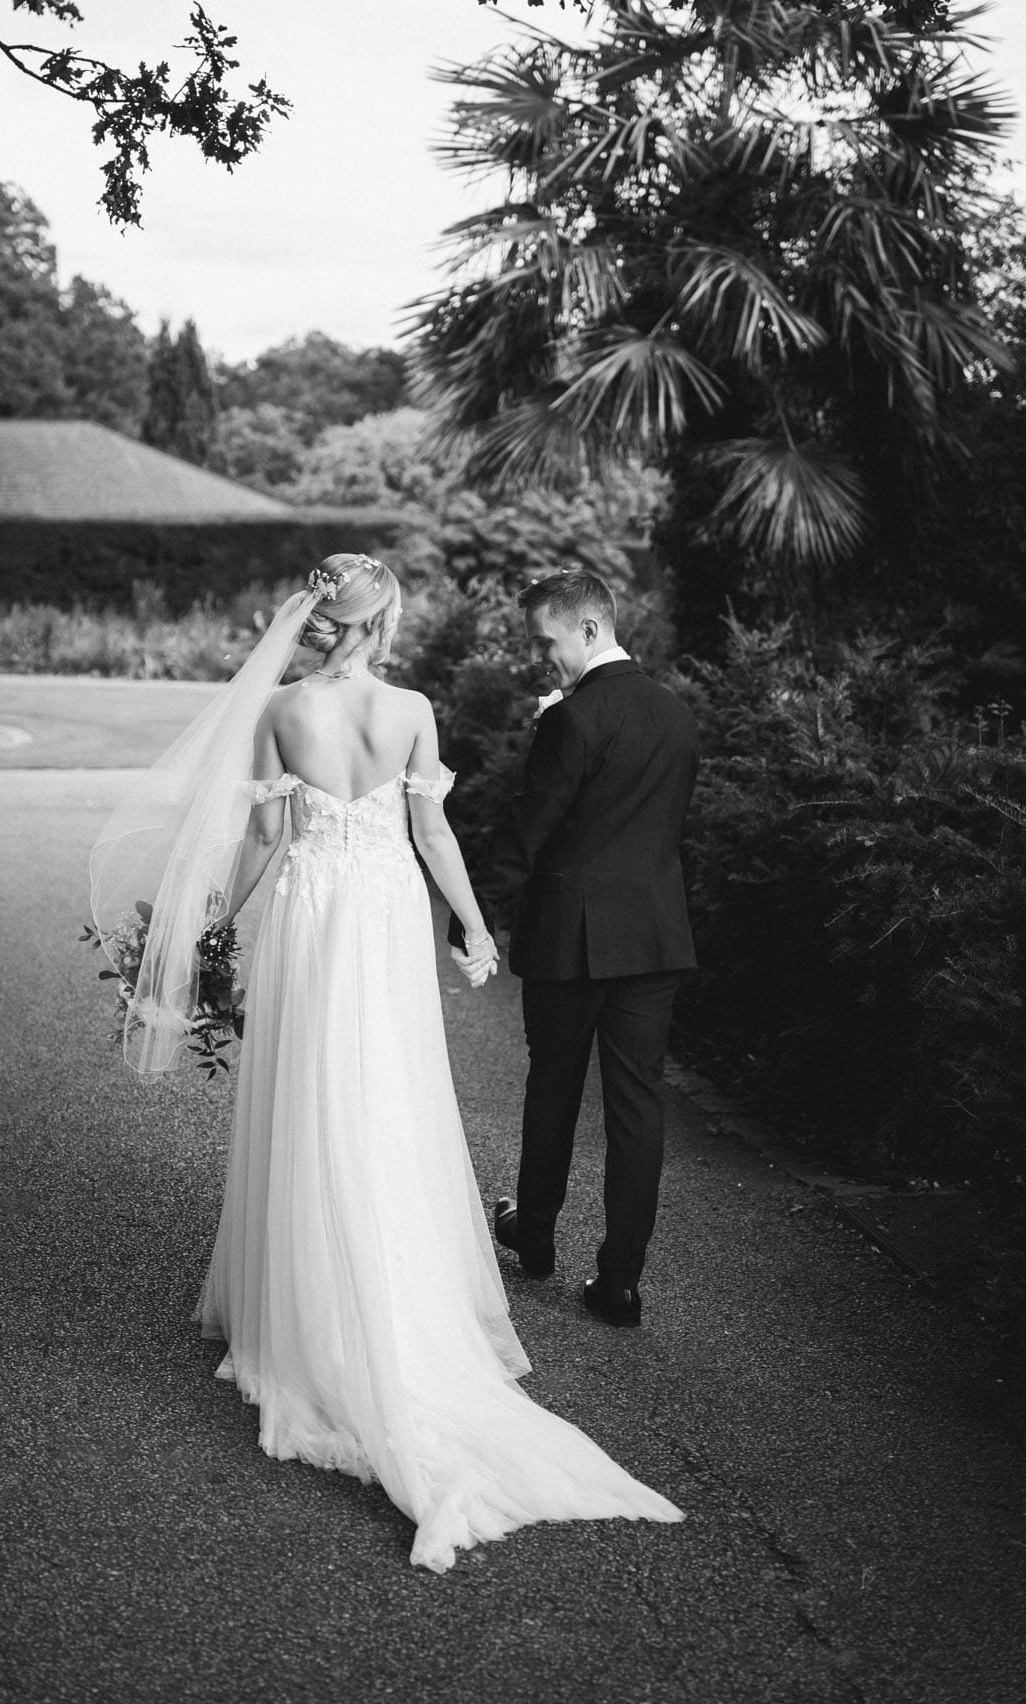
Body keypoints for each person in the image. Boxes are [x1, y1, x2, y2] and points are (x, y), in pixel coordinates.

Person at [91, 553, 682, 1573]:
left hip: (314, 915)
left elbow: (264, 842)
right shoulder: (412, 709)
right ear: (389, 617)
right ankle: (397, 1291)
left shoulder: (281, 711)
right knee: (388, 1095)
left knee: (312, 1091)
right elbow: (431, 830)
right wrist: (475, 927)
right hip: (385, 914)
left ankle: (312, 1298)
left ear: (323, 621)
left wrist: (212, 935)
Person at [452, 569, 699, 1330]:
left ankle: (535, 1234)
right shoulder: (676, 714)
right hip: (655, 937)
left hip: (570, 939)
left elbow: (532, 827)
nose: (540, 656)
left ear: (589, 630)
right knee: (636, 1105)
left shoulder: (571, 719)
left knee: (553, 1087)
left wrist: (473, 914)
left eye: (545, 640)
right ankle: (620, 1283)